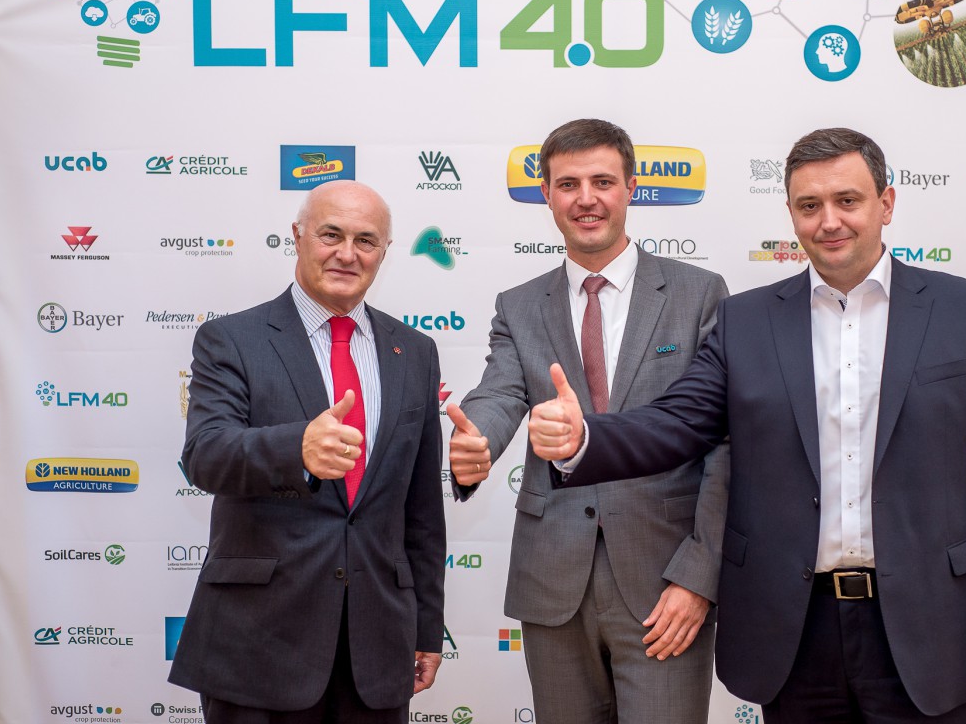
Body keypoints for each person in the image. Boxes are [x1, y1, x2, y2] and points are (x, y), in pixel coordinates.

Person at [529, 128, 966, 723]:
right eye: (809, 206)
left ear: (886, 203)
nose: (829, 221)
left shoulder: (965, 311)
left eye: (847, 200)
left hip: (932, 626)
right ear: (791, 214)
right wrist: (585, 439)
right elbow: (677, 423)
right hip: (792, 632)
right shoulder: (746, 320)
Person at [446, 118, 730, 723]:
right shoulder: (519, 305)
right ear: (546, 195)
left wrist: (699, 576)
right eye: (568, 184)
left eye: (602, 181)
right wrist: (476, 441)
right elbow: (498, 393)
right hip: (553, 581)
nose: (586, 199)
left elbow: (725, 442)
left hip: (664, 584)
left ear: (631, 188)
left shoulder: (699, 294)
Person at [168, 180, 446, 723]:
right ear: (297, 236)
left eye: (366, 241)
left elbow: (421, 510)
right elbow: (205, 454)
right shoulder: (232, 339)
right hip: (257, 644)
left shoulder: (415, 351)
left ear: (385, 252)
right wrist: (296, 447)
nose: (347, 253)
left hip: (376, 649)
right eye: (331, 235)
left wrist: (425, 628)